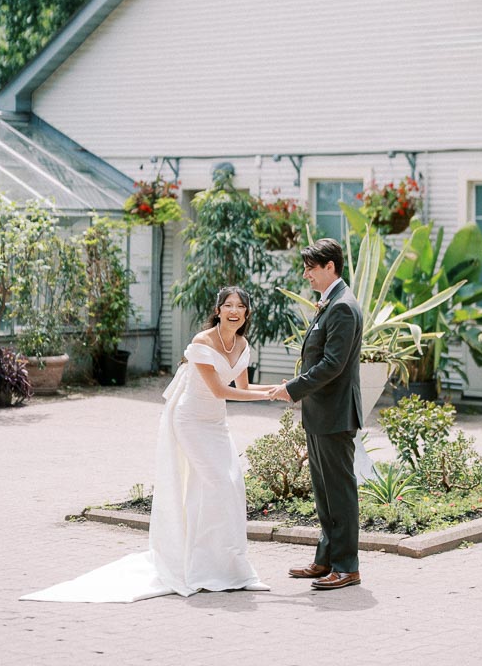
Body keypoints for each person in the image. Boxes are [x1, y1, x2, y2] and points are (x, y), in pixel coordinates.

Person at [21, 287, 273, 603]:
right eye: (228, 305)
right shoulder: (202, 342)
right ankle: (203, 568)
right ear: (218, 310)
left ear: (246, 314)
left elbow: (244, 387)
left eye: (240, 307)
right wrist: (270, 396)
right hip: (192, 422)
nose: (233, 311)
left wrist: (281, 388)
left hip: (216, 425)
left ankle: (234, 568)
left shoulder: (242, 344)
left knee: (233, 487)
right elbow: (221, 390)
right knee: (219, 484)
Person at [269, 237, 364, 591]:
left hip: (336, 414)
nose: (306, 274)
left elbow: (332, 365)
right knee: (324, 492)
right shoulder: (331, 302)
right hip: (321, 412)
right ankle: (326, 559)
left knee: (339, 491)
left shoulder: (342, 306)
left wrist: (292, 388)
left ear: (330, 267)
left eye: (311, 267)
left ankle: (346, 566)